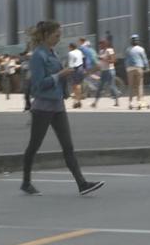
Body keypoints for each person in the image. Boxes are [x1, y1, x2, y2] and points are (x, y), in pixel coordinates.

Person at [20, 21, 104, 197]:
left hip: (58, 105)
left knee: (68, 146)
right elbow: (37, 85)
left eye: (59, 35)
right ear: (45, 35)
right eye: (56, 35)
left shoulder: (53, 53)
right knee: (34, 146)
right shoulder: (38, 56)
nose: (59, 38)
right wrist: (60, 75)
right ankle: (26, 182)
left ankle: (82, 184)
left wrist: (83, 72)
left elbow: (64, 77)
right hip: (42, 108)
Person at [90, 39, 121, 108]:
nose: (100, 46)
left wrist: (104, 59)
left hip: (110, 70)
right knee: (100, 87)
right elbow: (100, 62)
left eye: (101, 44)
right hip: (103, 71)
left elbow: (114, 60)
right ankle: (95, 103)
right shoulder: (101, 51)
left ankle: (117, 101)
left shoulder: (109, 50)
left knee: (112, 86)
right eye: (99, 44)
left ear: (105, 44)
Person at [125, 35, 149, 110]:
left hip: (130, 69)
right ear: (138, 41)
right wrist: (147, 67)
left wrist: (126, 68)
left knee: (131, 85)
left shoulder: (128, 49)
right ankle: (139, 102)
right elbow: (144, 59)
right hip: (139, 68)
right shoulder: (141, 49)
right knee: (139, 85)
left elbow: (126, 60)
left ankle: (130, 102)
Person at [66, 42, 85, 108]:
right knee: (78, 84)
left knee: (74, 85)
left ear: (71, 47)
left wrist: (68, 71)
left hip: (75, 69)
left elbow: (70, 64)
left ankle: (76, 101)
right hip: (81, 68)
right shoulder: (79, 51)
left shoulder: (70, 53)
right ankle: (78, 101)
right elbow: (83, 58)